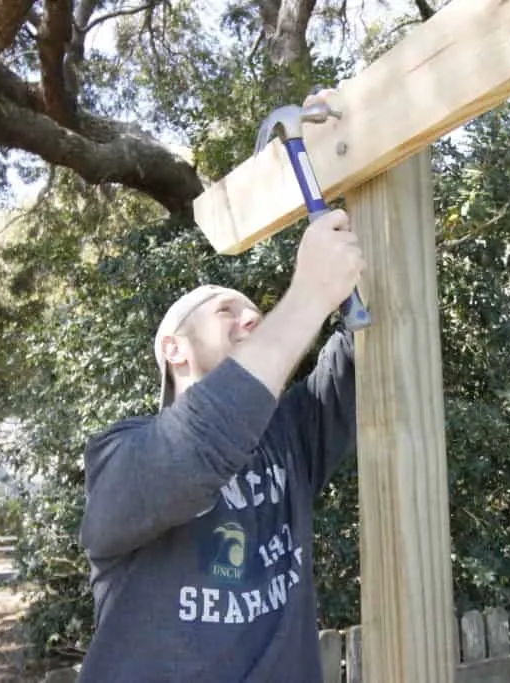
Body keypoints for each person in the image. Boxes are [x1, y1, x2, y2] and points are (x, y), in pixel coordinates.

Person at [75, 126, 365, 682]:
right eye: (226, 311)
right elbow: (200, 446)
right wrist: (305, 297)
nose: (250, 318)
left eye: (255, 312)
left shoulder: (291, 436)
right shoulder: (120, 457)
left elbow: (371, 336)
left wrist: (345, 150)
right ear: (173, 348)